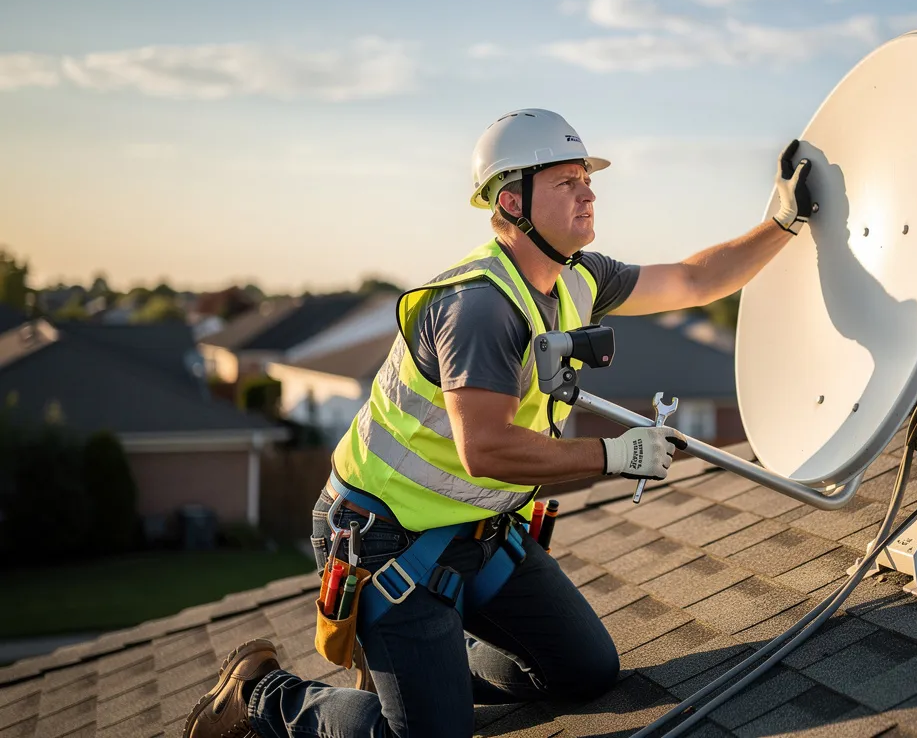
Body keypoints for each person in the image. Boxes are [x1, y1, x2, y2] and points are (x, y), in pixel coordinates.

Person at [183, 108, 813, 738]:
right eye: (567, 182)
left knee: (586, 671)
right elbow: (484, 448)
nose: (589, 192)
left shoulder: (579, 277)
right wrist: (615, 456)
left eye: (587, 179)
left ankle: (422, 674)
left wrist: (782, 223)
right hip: (385, 539)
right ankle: (264, 696)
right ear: (513, 200)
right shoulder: (480, 307)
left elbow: (695, 279)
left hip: (475, 533)